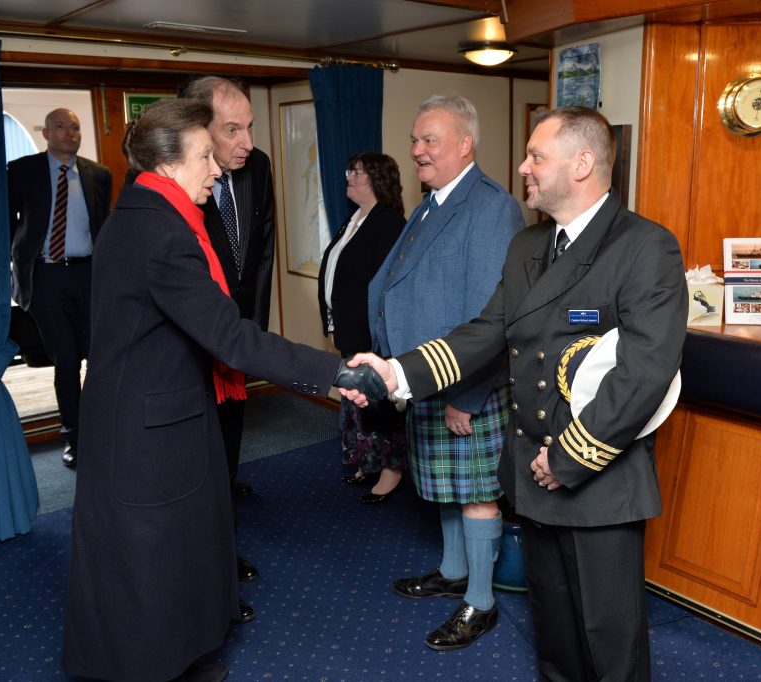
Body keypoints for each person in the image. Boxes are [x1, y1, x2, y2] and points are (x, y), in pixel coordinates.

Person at [346, 106, 688, 680]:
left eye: (536, 156)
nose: (523, 167)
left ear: (582, 163)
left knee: (609, 639)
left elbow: (644, 374)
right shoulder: (529, 247)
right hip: (532, 469)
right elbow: (484, 334)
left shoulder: (645, 246)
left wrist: (568, 456)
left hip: (595, 475)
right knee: (554, 629)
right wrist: (396, 374)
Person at [60, 98, 356, 682]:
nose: (217, 169)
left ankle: (180, 659)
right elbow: (230, 336)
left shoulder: (146, 213)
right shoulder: (160, 233)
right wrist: (336, 373)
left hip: (155, 412)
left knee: (175, 550)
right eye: (204, 156)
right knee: (147, 561)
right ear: (168, 165)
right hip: (144, 431)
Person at [367, 93, 524, 650]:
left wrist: (471, 395)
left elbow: (491, 315)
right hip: (424, 379)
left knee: (476, 491)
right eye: (414, 139)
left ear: (465, 144)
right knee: (445, 486)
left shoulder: (491, 206)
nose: (416, 150)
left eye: (430, 139)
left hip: (461, 384)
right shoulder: (431, 203)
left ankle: (480, 603)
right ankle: (453, 571)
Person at [180, 76, 277, 592]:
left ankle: (222, 522)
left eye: (251, 128)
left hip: (239, 335)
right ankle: (212, 554)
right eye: (232, 130)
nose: (247, 144)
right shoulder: (170, 184)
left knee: (230, 436)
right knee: (197, 450)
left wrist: (252, 335)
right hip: (194, 342)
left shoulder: (257, 167)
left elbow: (261, 257)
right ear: (198, 130)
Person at [8, 108, 111, 468]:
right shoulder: (22, 171)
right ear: (47, 133)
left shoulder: (99, 175)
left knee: (99, 357)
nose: (70, 133)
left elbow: (104, 229)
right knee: (66, 360)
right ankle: (75, 438)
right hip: (46, 277)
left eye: (75, 127)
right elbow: (7, 224)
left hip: (89, 277)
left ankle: (103, 430)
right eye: (61, 127)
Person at [318, 152, 408, 503]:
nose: (349, 177)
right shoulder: (355, 218)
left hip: (373, 336)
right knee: (356, 402)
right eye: (350, 170)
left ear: (377, 179)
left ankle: (390, 470)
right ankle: (366, 461)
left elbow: (386, 288)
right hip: (349, 329)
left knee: (378, 402)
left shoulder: (388, 223)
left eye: (356, 172)